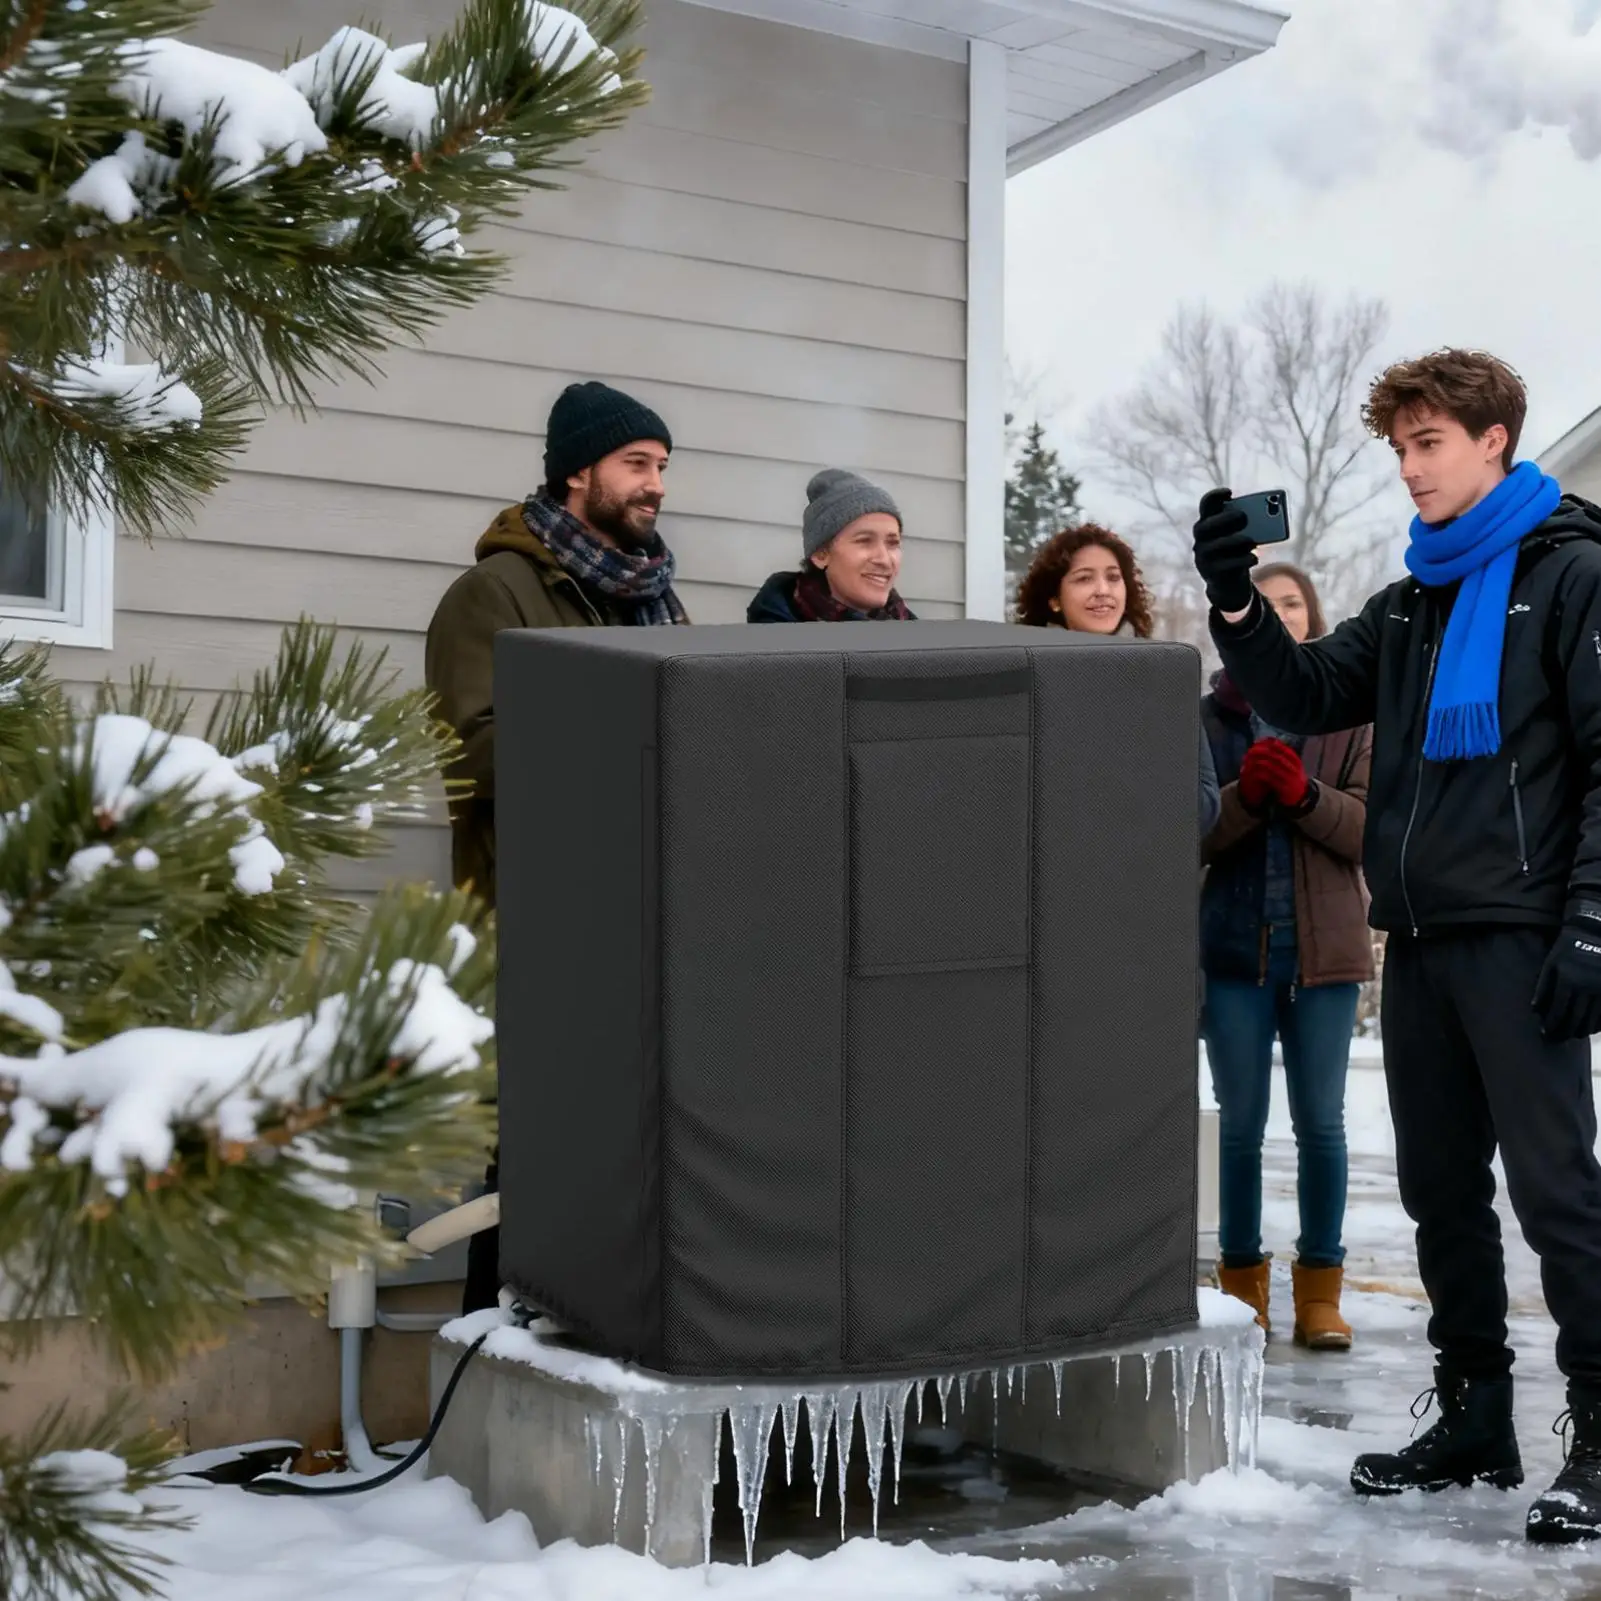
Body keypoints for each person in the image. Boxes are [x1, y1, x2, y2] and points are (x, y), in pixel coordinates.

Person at [1191, 348, 1601, 1543]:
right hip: (1417, 934)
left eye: (1428, 444)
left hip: (1524, 935)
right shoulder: (1415, 595)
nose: (1409, 468)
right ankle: (1475, 1412)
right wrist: (1230, 600)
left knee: (1557, 1195)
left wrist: (1589, 923)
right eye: (1399, 448)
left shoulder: (1571, 574)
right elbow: (1310, 686)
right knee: (1436, 1193)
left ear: (1494, 440)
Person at [425, 378, 686, 1315]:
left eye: (661, 467)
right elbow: (471, 750)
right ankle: (489, 1357)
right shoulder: (492, 593)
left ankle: (607, 1339)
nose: (655, 485)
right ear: (578, 471)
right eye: (636, 464)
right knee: (533, 1161)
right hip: (538, 925)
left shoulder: (655, 599)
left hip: (649, 917)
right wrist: (623, 723)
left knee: (633, 1156)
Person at [1199, 561, 1374, 1351]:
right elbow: (1188, 832)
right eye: (1262, 605)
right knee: (1239, 1128)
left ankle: (1319, 1295)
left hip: (1324, 956)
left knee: (1322, 1127)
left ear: (1310, 619)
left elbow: (1375, 829)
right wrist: (1245, 796)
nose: (1277, 615)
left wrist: (1305, 795)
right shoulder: (1207, 719)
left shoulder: (1351, 718)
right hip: (1234, 953)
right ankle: (1241, 1291)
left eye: (1291, 603)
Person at [1015, 524, 1220, 834]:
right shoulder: (1026, 681)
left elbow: (1205, 809)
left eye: (1113, 577)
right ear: (1054, 598)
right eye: (1084, 578)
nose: (1103, 590)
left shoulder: (1165, 682)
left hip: (1143, 870)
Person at [748, 469, 916, 621]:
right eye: (864, 541)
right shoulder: (771, 643)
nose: (884, 560)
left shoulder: (916, 641)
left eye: (893, 543)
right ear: (821, 553)